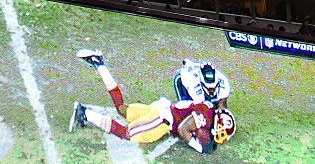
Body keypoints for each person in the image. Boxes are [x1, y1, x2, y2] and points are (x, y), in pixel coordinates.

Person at [71, 49, 226, 154]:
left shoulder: (208, 107)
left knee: (122, 108)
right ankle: (84, 113)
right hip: (162, 120)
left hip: (161, 107)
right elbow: (183, 129)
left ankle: (99, 64)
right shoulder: (204, 116)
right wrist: (199, 147)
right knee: (126, 133)